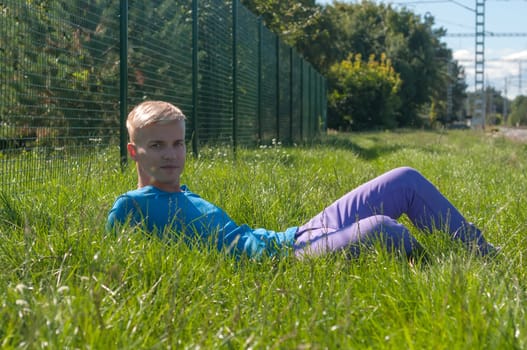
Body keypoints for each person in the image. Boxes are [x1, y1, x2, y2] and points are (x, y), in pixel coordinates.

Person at [106, 100, 498, 260]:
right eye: (157, 145)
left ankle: (483, 255)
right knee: (382, 230)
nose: (171, 154)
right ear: (133, 151)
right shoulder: (131, 207)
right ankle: (444, 272)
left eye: (177, 143)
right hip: (284, 262)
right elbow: (118, 262)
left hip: (295, 235)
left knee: (404, 178)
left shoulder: (186, 194)